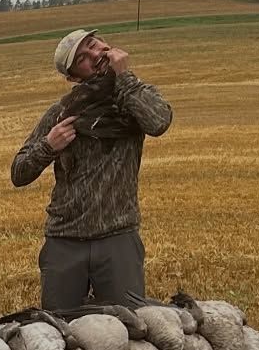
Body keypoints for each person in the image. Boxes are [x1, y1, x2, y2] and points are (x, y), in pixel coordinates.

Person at [10, 29, 172, 309]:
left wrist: (125, 78)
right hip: (64, 241)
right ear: (73, 77)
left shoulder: (133, 99)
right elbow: (19, 172)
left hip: (118, 237)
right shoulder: (62, 112)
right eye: (83, 58)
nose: (95, 55)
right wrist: (48, 146)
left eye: (94, 45)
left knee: (130, 331)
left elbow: (158, 122)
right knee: (59, 331)